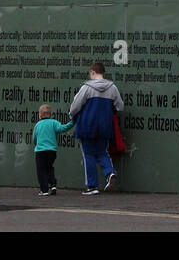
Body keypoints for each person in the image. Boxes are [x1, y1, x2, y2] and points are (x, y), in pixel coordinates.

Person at [68, 61, 125, 195]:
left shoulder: (86, 87)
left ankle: (92, 186)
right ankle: (110, 173)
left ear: (92, 72)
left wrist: (71, 115)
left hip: (87, 126)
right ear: (103, 73)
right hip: (105, 126)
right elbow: (120, 106)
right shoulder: (112, 88)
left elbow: (76, 105)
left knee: (88, 154)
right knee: (102, 153)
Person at [31, 104, 73, 197]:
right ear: (50, 114)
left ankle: (44, 190)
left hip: (40, 151)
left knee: (41, 170)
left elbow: (34, 138)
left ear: (40, 115)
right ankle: (53, 185)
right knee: (49, 167)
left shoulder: (37, 125)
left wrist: (37, 145)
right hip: (51, 151)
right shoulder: (54, 123)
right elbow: (63, 128)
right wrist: (72, 122)